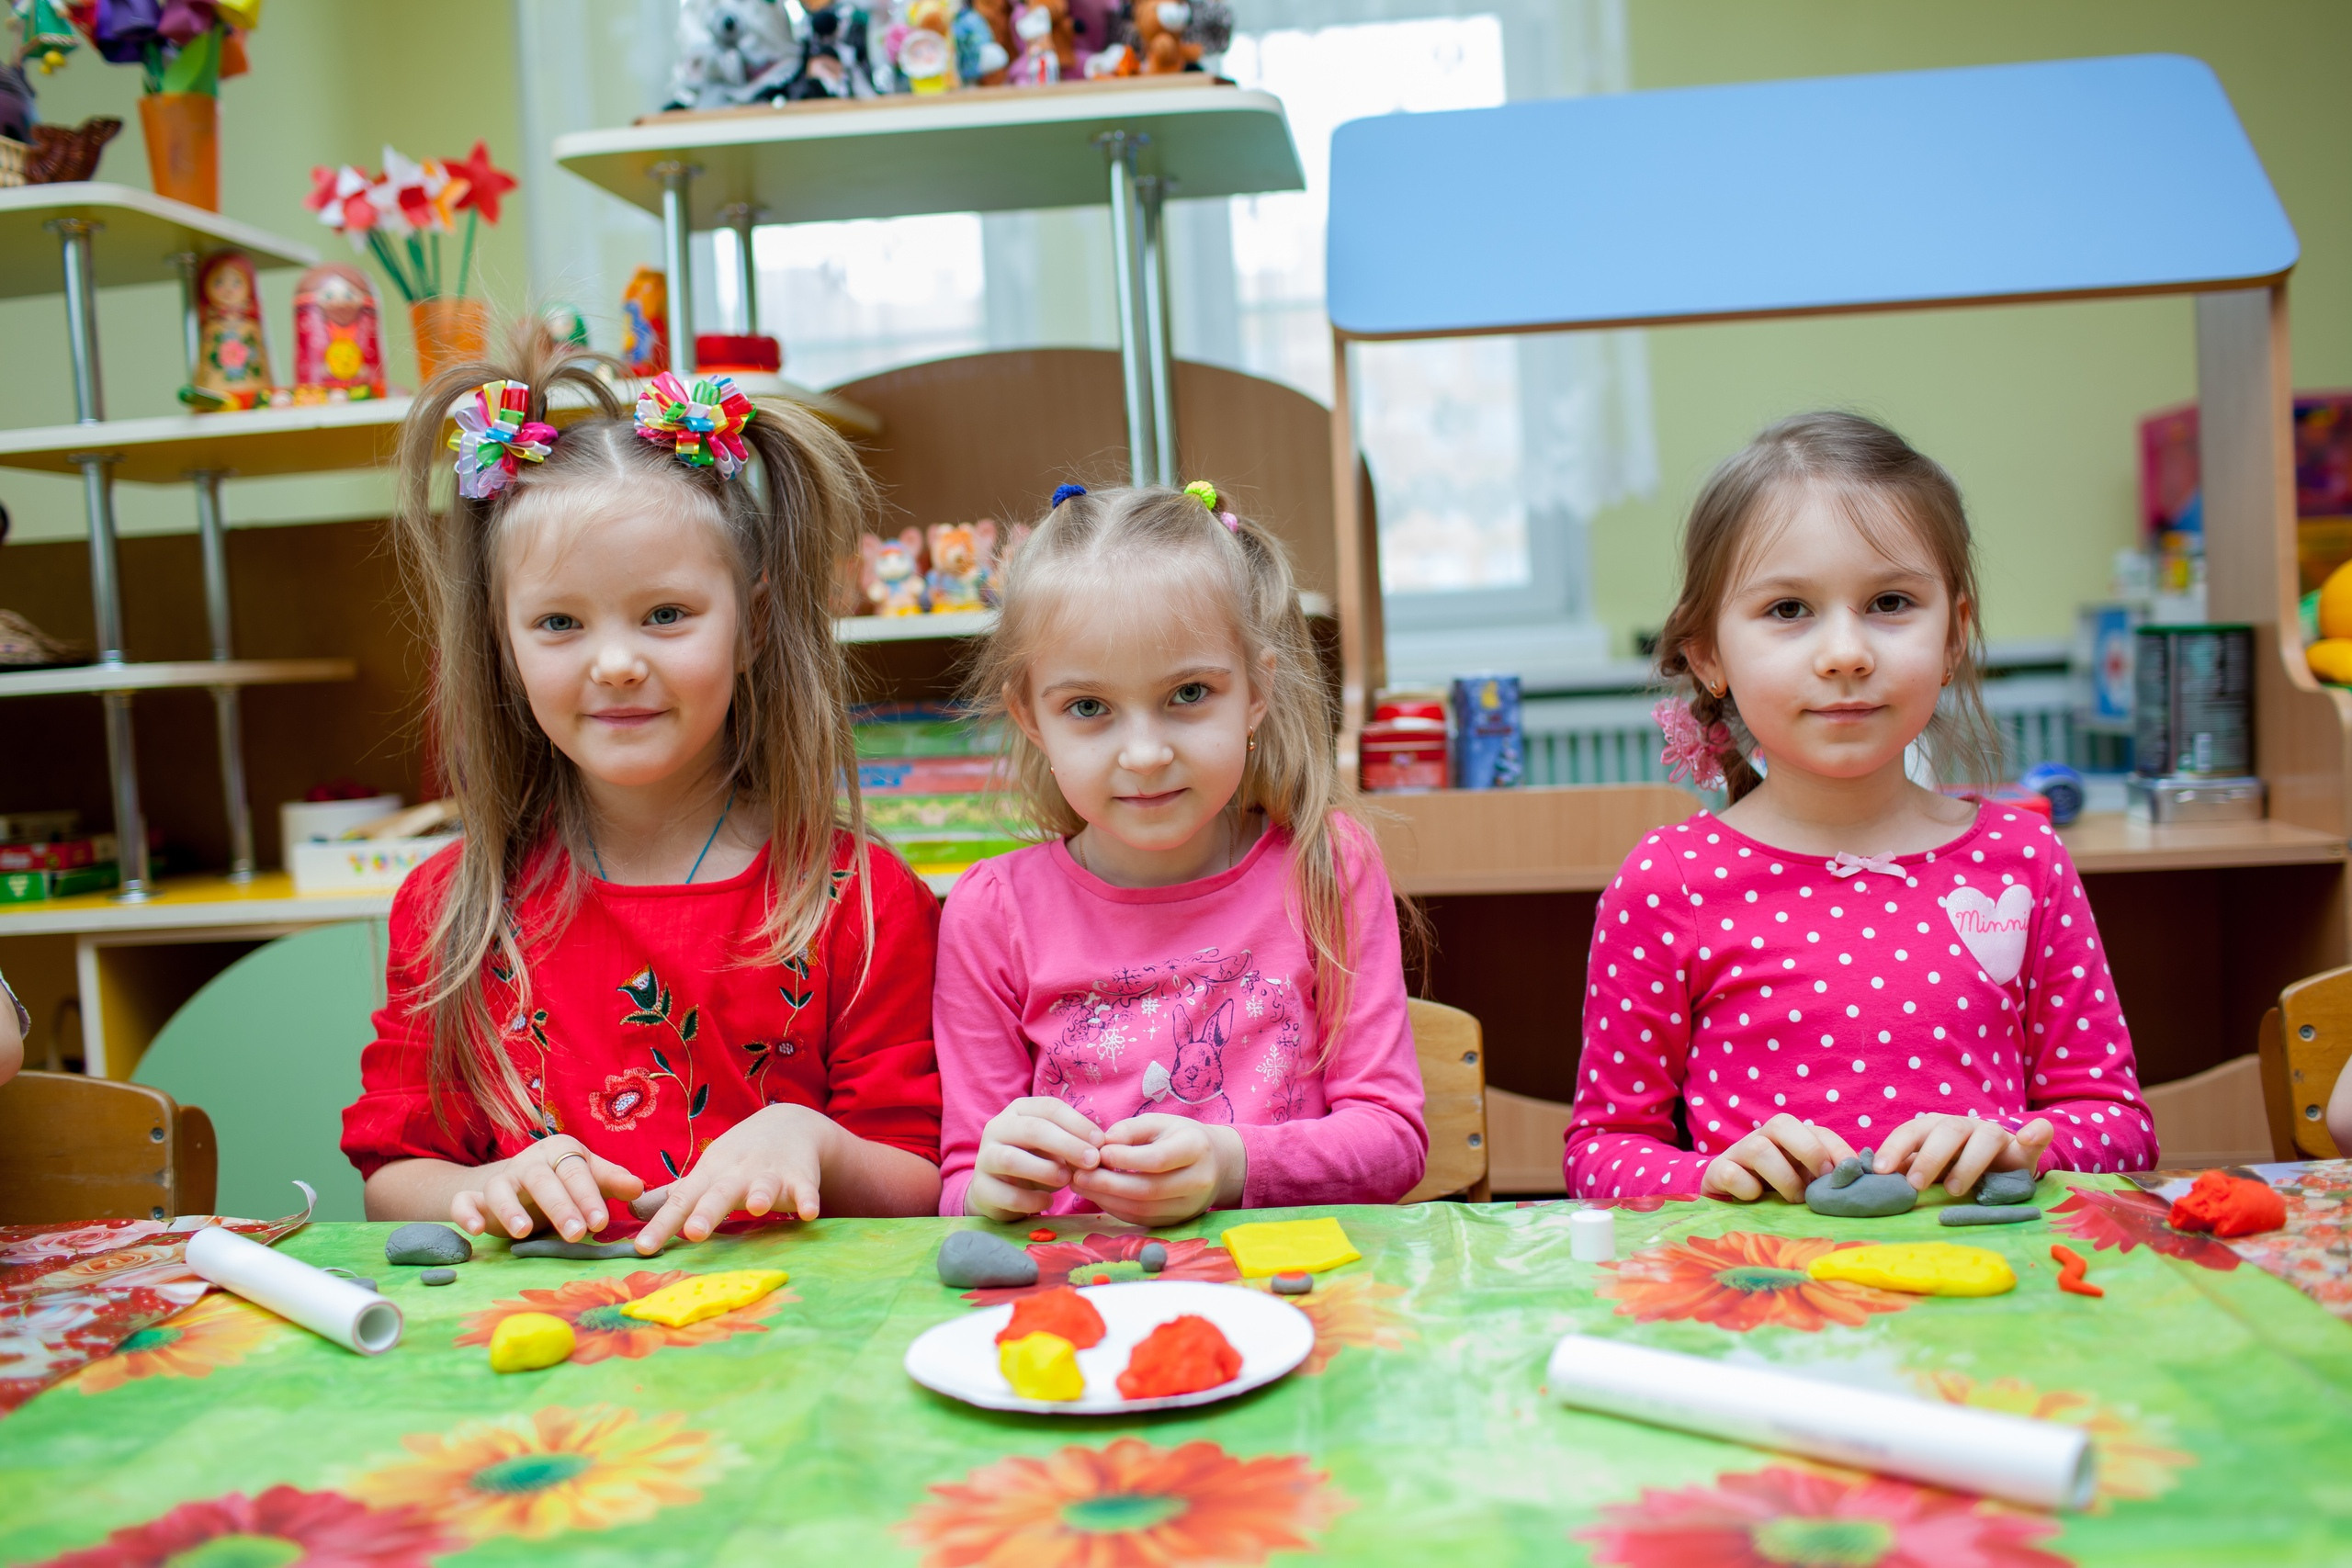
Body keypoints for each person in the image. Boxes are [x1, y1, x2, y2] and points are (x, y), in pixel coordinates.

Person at [342, 334, 943, 1253]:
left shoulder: (860, 901)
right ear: (503, 647)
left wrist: (813, 1141)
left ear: (754, 623)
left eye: (666, 615)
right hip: (535, 1336)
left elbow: (922, 1179)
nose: (617, 662)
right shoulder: (451, 910)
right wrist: (485, 1187)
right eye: (559, 622)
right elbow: (392, 1177)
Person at [1567, 412, 2157, 1202]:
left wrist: (2018, 1147)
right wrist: (1706, 1175)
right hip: (1760, 1277)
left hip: (1987, 1276)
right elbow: (1602, 1150)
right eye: (1788, 609)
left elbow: (2119, 1125)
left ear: (1954, 635)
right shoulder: (1668, 881)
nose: (1846, 652)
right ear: (1707, 652)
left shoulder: (2025, 860)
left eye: (1889, 601)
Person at [934, 481, 1427, 1224]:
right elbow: (960, 1187)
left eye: (1189, 693)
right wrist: (989, 1186)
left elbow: (1393, 1140)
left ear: (1257, 690)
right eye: (1088, 707)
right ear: (1030, 717)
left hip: (1287, 1283)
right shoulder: (991, 912)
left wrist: (1230, 1164)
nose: (1145, 753)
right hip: (1079, 1291)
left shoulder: (1325, 865)